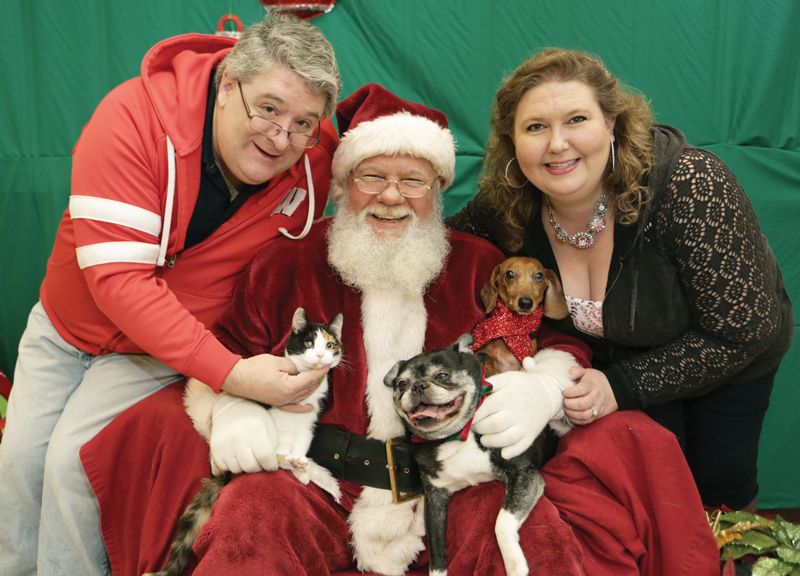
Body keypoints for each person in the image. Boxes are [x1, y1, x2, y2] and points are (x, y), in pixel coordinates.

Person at [79, 83, 719, 576]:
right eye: (371, 177)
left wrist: (544, 386)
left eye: (412, 180)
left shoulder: (476, 263)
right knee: (251, 515)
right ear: (342, 185)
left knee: (517, 529)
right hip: (322, 481)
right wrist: (234, 410)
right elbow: (230, 352)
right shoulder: (286, 264)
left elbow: (556, 341)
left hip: (454, 476)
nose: (391, 196)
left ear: (438, 188)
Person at [0, 12, 340, 575]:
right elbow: (120, 283)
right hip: (67, 329)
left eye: (303, 122)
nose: (281, 137)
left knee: (74, 464)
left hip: (155, 350)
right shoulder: (131, 118)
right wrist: (230, 374)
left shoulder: (315, 150)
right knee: (20, 461)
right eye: (269, 109)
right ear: (227, 83)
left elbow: (383, 145)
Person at [447, 47, 794, 512]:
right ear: (513, 142)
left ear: (611, 123)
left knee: (718, 492)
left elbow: (743, 329)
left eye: (576, 120)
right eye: (535, 127)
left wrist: (622, 387)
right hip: (612, 361)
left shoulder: (690, 184)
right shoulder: (506, 207)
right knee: (648, 498)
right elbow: (442, 248)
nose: (556, 144)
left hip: (722, 357)